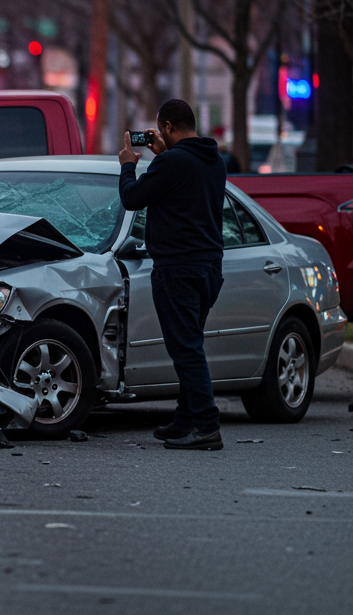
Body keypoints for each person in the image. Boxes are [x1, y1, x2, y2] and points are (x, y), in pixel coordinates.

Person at [119, 99, 228, 451]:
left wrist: (128, 166)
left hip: (178, 268)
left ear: (167, 126)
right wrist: (161, 154)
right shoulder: (213, 161)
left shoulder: (172, 162)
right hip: (209, 267)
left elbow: (133, 198)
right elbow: (181, 186)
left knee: (185, 349)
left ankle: (207, 425)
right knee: (189, 342)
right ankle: (185, 420)